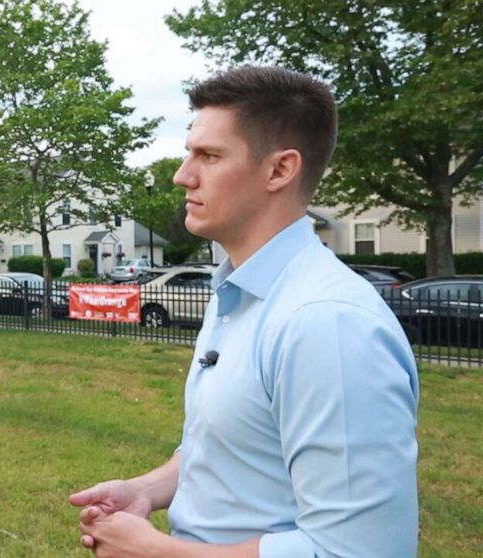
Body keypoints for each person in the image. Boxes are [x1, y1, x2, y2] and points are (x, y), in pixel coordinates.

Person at [69, 66, 419, 557]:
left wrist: (158, 553)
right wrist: (148, 491)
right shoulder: (241, 293)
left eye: (209, 156)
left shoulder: (327, 324)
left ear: (280, 170)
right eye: (191, 151)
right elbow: (235, 448)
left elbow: (359, 551)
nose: (182, 174)